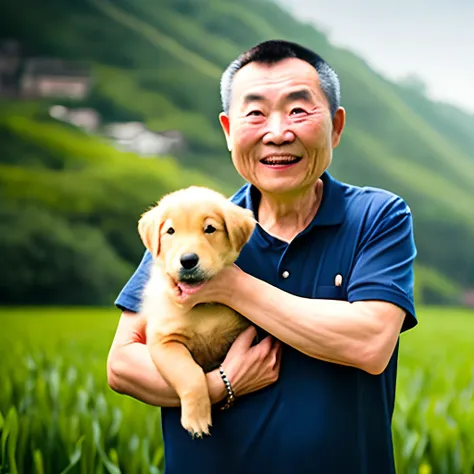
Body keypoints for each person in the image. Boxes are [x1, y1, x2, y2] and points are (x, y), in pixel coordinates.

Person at [108, 39, 417, 474]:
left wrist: (231, 286)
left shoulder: (376, 216)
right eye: (254, 113)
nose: (278, 132)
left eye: (298, 110)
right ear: (229, 130)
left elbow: (368, 342)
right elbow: (123, 363)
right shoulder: (193, 224)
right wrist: (220, 387)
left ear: (336, 126)